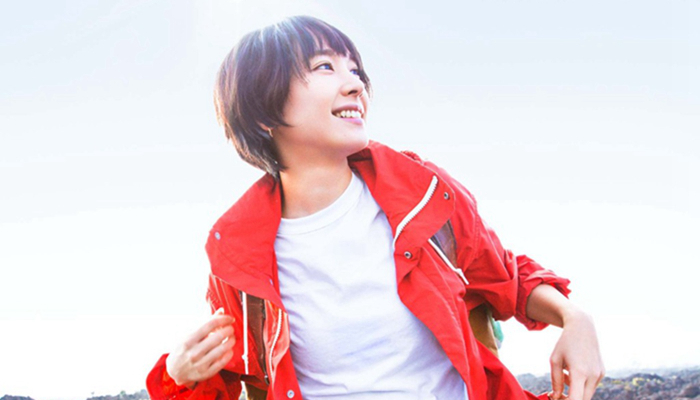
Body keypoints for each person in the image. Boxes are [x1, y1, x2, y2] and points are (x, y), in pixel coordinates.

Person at [146, 15, 604, 400]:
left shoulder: (421, 192)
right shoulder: (236, 252)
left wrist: (575, 318)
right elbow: (231, 375)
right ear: (263, 109)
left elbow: (504, 276)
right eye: (325, 67)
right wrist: (177, 375)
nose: (355, 84)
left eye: (355, 70)